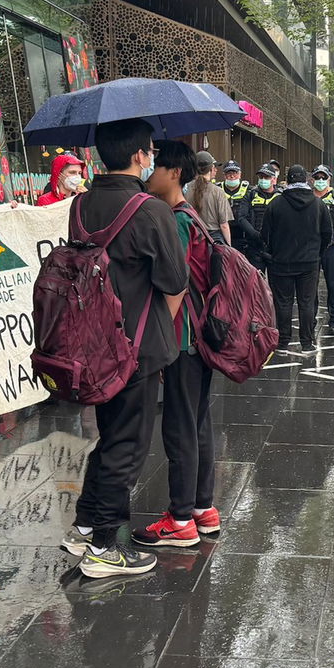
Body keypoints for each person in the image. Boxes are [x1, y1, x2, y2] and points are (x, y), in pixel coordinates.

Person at [57, 120, 189, 577]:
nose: (152, 157)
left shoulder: (80, 204)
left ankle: (85, 526)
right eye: (150, 150)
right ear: (139, 156)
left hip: (91, 343)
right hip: (134, 346)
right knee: (128, 445)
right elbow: (174, 279)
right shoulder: (150, 210)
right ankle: (107, 546)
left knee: (110, 437)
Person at [133, 140, 222, 549]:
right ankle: (203, 508)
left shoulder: (178, 221)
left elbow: (176, 285)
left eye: (154, 167)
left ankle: (180, 518)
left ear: (173, 173)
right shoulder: (190, 215)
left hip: (183, 340)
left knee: (179, 426)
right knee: (198, 421)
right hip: (198, 338)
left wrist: (158, 341)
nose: (148, 173)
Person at [264, 164, 332, 353]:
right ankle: (307, 343)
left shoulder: (276, 203)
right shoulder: (318, 204)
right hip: (309, 262)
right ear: (305, 180)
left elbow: (265, 233)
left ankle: (283, 342)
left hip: (281, 261)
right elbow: (328, 232)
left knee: (283, 302)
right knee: (307, 302)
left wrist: (273, 251)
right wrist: (318, 253)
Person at [312, 165, 334, 334]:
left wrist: (329, 241)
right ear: (312, 179)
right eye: (317, 177)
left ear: (329, 179)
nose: (320, 181)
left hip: (332, 249)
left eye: (323, 177)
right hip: (311, 249)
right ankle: (310, 319)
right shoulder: (308, 197)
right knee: (310, 287)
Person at [184, 150, 232, 245]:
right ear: (210, 169)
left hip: (191, 238)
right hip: (214, 240)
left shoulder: (185, 189)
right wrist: (229, 246)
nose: (216, 170)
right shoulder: (218, 192)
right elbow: (224, 225)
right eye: (214, 167)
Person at [240, 163, 280, 272]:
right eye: (261, 177)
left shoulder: (281, 197)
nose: (263, 180)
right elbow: (241, 218)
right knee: (255, 283)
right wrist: (254, 234)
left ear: (274, 179)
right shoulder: (250, 195)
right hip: (254, 245)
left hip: (275, 246)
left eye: (266, 177)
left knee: (276, 285)